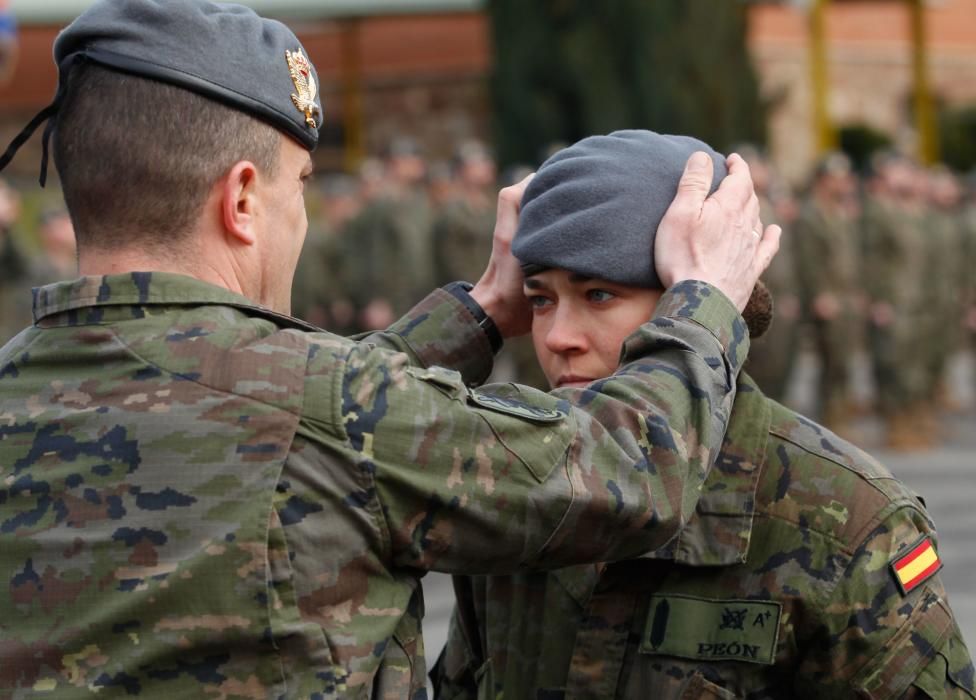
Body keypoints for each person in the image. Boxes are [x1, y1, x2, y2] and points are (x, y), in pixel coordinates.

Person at [0, 2, 778, 697]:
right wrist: (702, 303)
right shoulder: (331, 412)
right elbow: (625, 473)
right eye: (299, 185)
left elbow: (299, 424)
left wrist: (477, 315)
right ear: (240, 200)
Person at [434, 131, 974, 700]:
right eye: (540, 300)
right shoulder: (518, 487)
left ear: (696, 303)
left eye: (598, 295)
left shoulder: (844, 522)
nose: (558, 337)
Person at [793, 152, 864, 434]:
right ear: (823, 181)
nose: (844, 184)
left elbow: (851, 257)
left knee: (845, 359)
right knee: (831, 361)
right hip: (829, 298)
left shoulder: (842, 212)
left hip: (845, 296)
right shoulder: (811, 213)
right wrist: (819, 294)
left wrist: (856, 291)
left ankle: (841, 414)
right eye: (838, 179)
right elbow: (809, 259)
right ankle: (829, 420)